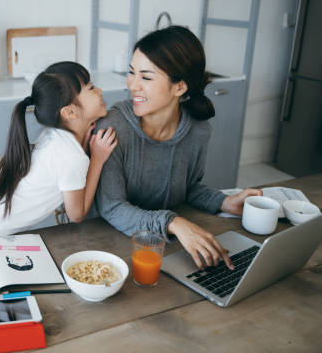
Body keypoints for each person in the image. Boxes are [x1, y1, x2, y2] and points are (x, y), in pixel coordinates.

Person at [94, 26, 262, 270]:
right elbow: (112, 207)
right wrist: (175, 223)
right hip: (107, 251)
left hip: (163, 250)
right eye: (132, 73)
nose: (133, 85)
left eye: (146, 77)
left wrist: (225, 202)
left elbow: (187, 188)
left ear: (180, 87)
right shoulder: (113, 127)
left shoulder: (199, 131)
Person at [0, 61, 117, 242]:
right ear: (70, 112)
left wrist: (85, 145)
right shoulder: (72, 157)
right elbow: (76, 215)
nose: (100, 91)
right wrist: (97, 158)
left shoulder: (57, 135)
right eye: (91, 88)